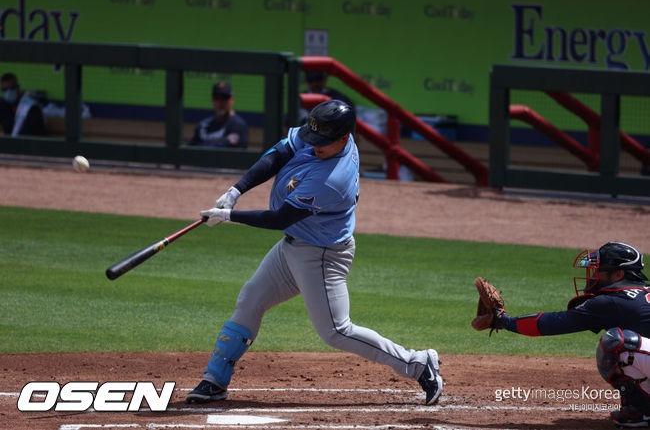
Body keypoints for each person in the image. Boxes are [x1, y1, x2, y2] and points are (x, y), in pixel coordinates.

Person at [186, 99, 443, 406]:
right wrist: (236, 191)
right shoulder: (324, 137)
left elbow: (280, 217)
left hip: (321, 256)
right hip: (292, 247)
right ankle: (214, 381)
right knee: (250, 299)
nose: (314, 147)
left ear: (345, 138)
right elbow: (279, 154)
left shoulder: (334, 179)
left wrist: (229, 217)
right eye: (314, 140)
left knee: (335, 330)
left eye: (322, 143)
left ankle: (418, 363)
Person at [488, 242, 650, 428]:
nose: (592, 277)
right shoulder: (639, 295)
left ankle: (642, 411)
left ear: (618, 274)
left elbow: (554, 323)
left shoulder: (613, 300)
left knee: (618, 343)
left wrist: (503, 321)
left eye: (599, 271)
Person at [188, 82, 248, 148]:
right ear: (212, 100)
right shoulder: (203, 124)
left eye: (225, 98)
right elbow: (190, 148)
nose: (220, 102)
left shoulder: (238, 125)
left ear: (232, 100)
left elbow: (222, 148)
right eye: (217, 98)